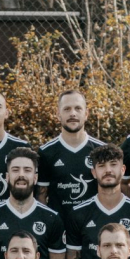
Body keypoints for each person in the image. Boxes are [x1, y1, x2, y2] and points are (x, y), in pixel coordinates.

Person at [65, 144, 130, 259]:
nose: (108, 170)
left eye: (113, 164)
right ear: (94, 172)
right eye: (101, 166)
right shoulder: (78, 213)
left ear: (123, 170)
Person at [37, 90, 105, 223]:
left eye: (78, 108)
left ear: (86, 114)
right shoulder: (46, 152)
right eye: (67, 109)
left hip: (93, 225)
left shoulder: (101, 150)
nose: (72, 113)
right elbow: (41, 195)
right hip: (59, 226)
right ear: (58, 114)